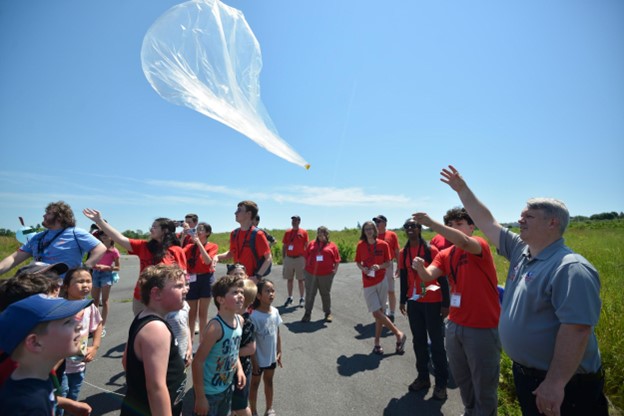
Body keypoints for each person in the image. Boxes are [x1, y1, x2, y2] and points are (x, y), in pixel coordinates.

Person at [439, 165, 608, 416]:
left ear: (552, 222)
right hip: (528, 376)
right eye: (521, 216)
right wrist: (463, 190)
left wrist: (555, 383)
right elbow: (487, 222)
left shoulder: (570, 268)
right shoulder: (521, 251)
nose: (520, 220)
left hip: (564, 385)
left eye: (528, 217)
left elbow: (577, 329)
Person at [411, 208, 501, 416]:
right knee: (463, 378)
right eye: (450, 225)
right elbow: (428, 277)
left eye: (459, 224)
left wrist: (432, 224)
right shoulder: (445, 254)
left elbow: (463, 242)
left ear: (472, 226)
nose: (453, 229)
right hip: (455, 324)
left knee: (484, 383)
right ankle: (470, 411)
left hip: (482, 327)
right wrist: (420, 268)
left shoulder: (479, 245)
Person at [0, 294, 93, 415]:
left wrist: (62, 402)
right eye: (67, 322)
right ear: (35, 342)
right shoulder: (29, 407)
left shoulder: (35, 381)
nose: (79, 325)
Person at [83, 209, 187, 315]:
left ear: (165, 231)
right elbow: (119, 238)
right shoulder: (143, 246)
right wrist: (99, 221)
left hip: (166, 300)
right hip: (142, 298)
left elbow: (183, 278)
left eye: (155, 227)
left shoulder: (176, 250)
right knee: (141, 329)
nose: (151, 229)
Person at [120, 265, 188, 416]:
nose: (186, 289)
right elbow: (156, 387)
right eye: (179, 286)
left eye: (185, 284)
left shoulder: (143, 317)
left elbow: (126, 361)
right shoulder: (156, 329)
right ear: (156, 293)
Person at [398, 218, 449, 400]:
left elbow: (442, 279)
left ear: (420, 229)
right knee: (418, 341)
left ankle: (441, 384)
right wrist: (403, 300)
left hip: (433, 301)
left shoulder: (431, 250)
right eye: (407, 226)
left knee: (436, 343)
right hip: (414, 302)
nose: (410, 229)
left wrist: (446, 303)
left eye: (414, 226)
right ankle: (423, 378)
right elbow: (404, 278)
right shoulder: (403, 253)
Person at [0, 201, 106, 276]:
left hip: (66, 291)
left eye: (48, 213)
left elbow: (100, 248)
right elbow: (14, 258)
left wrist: (84, 270)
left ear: (60, 217)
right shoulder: (38, 237)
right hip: (39, 288)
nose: (44, 216)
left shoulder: (75, 233)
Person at [192, 274, 245, 416]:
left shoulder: (240, 320)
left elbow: (234, 350)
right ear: (221, 300)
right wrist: (200, 397)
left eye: (241, 292)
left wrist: (239, 369)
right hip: (209, 393)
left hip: (227, 388)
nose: (240, 295)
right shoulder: (215, 328)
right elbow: (197, 362)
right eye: (235, 292)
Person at [355, 221, 407, 356]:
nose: (368, 231)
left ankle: (377, 343)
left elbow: (389, 262)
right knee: (376, 312)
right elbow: (357, 262)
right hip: (368, 282)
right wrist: (363, 269)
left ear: (374, 230)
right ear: (364, 231)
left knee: (381, 312)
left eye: (371, 229)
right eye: (366, 229)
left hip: (381, 280)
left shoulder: (383, 245)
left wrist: (380, 266)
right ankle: (398, 333)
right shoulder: (361, 245)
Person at [60, 267, 103, 403]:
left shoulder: (89, 306)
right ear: (66, 287)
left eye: (88, 281)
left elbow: (98, 325)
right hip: (60, 364)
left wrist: (95, 346)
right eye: (80, 282)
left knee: (74, 393)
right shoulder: (60, 307)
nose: (85, 285)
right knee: (62, 393)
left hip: (80, 363)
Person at [214, 201, 272, 281]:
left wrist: (257, 277)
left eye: (239, 210)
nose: (235, 213)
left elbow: (268, 258)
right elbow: (231, 253)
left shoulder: (258, 234)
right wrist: (217, 256)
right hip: (237, 277)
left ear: (248, 214)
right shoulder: (234, 233)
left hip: (251, 279)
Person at [249, 279, 282, 416]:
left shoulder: (275, 312)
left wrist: (279, 351)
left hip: (271, 357)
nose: (271, 293)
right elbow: (250, 340)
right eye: (267, 291)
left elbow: (277, 332)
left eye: (272, 290)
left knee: (269, 381)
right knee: (254, 384)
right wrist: (253, 360)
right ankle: (253, 410)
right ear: (258, 295)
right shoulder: (254, 316)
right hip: (257, 358)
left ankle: (269, 408)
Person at [184, 222, 218, 343]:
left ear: (208, 233)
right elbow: (179, 254)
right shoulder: (189, 247)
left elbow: (208, 261)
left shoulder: (212, 246)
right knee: (191, 314)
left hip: (206, 279)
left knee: (202, 314)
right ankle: (190, 341)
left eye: (201, 230)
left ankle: (202, 342)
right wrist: (184, 236)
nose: (198, 232)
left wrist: (198, 243)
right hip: (192, 279)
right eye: (197, 229)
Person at [301, 226, 340, 323]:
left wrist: (334, 271)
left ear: (327, 234)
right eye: (319, 232)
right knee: (310, 294)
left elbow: (337, 260)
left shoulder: (332, 246)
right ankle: (307, 313)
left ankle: (327, 313)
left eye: (323, 233)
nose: (320, 234)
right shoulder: (312, 244)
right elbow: (305, 257)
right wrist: (304, 270)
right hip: (311, 274)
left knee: (325, 294)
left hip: (326, 274)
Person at [231, 278, 258, 416]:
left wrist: (231, 353)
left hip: (242, 367)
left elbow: (251, 348)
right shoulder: (230, 317)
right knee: (232, 404)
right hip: (230, 368)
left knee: (241, 406)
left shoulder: (247, 322)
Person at [91, 230, 120, 337]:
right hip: (95, 274)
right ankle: (94, 324)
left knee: (105, 300)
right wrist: (93, 265)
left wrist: (106, 267)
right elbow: (91, 261)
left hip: (106, 275)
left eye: (106, 234)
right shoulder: (97, 249)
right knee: (94, 301)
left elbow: (118, 267)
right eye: (102, 234)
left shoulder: (114, 251)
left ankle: (102, 326)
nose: (103, 236)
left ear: (111, 237)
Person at [372, 215, 400, 322]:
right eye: (376, 222)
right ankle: (384, 310)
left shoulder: (391, 235)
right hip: (375, 267)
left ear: (385, 223)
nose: (377, 224)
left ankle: (392, 313)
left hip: (388, 265)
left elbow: (397, 251)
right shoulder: (373, 235)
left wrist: (399, 266)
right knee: (379, 291)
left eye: (379, 221)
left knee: (391, 290)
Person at [281, 215, 309, 308]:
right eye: (293, 220)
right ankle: (290, 297)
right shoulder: (288, 232)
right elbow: (284, 245)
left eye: (296, 220)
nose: (294, 222)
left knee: (301, 279)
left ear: (299, 221)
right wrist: (283, 258)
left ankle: (302, 298)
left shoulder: (303, 232)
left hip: (300, 258)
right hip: (289, 258)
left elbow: (306, 245)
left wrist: (306, 258)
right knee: (289, 279)